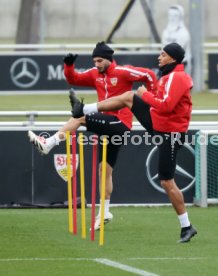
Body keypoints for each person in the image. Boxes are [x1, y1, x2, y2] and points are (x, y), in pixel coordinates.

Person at [70, 42, 197, 243]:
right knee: (129, 96)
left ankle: (187, 226)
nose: (159, 57)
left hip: (170, 133)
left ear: (172, 58)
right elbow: (160, 101)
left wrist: (144, 95)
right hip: (160, 125)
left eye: (162, 54)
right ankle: (84, 110)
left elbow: (166, 105)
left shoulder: (177, 77)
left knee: (166, 181)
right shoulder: (169, 76)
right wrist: (146, 96)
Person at [28, 41, 157, 231]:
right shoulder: (94, 74)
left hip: (120, 124)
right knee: (104, 171)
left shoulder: (123, 71)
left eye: (99, 60)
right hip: (108, 125)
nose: (96, 64)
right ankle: (105, 212)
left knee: (80, 117)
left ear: (108, 59)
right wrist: (68, 65)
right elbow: (73, 79)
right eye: (94, 60)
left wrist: (151, 99)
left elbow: (149, 75)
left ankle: (49, 143)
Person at [162, 5, 192, 75]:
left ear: (180, 17)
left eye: (175, 16)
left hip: (181, 65)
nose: (172, 18)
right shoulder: (165, 32)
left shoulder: (183, 33)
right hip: (167, 64)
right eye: (170, 15)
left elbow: (177, 51)